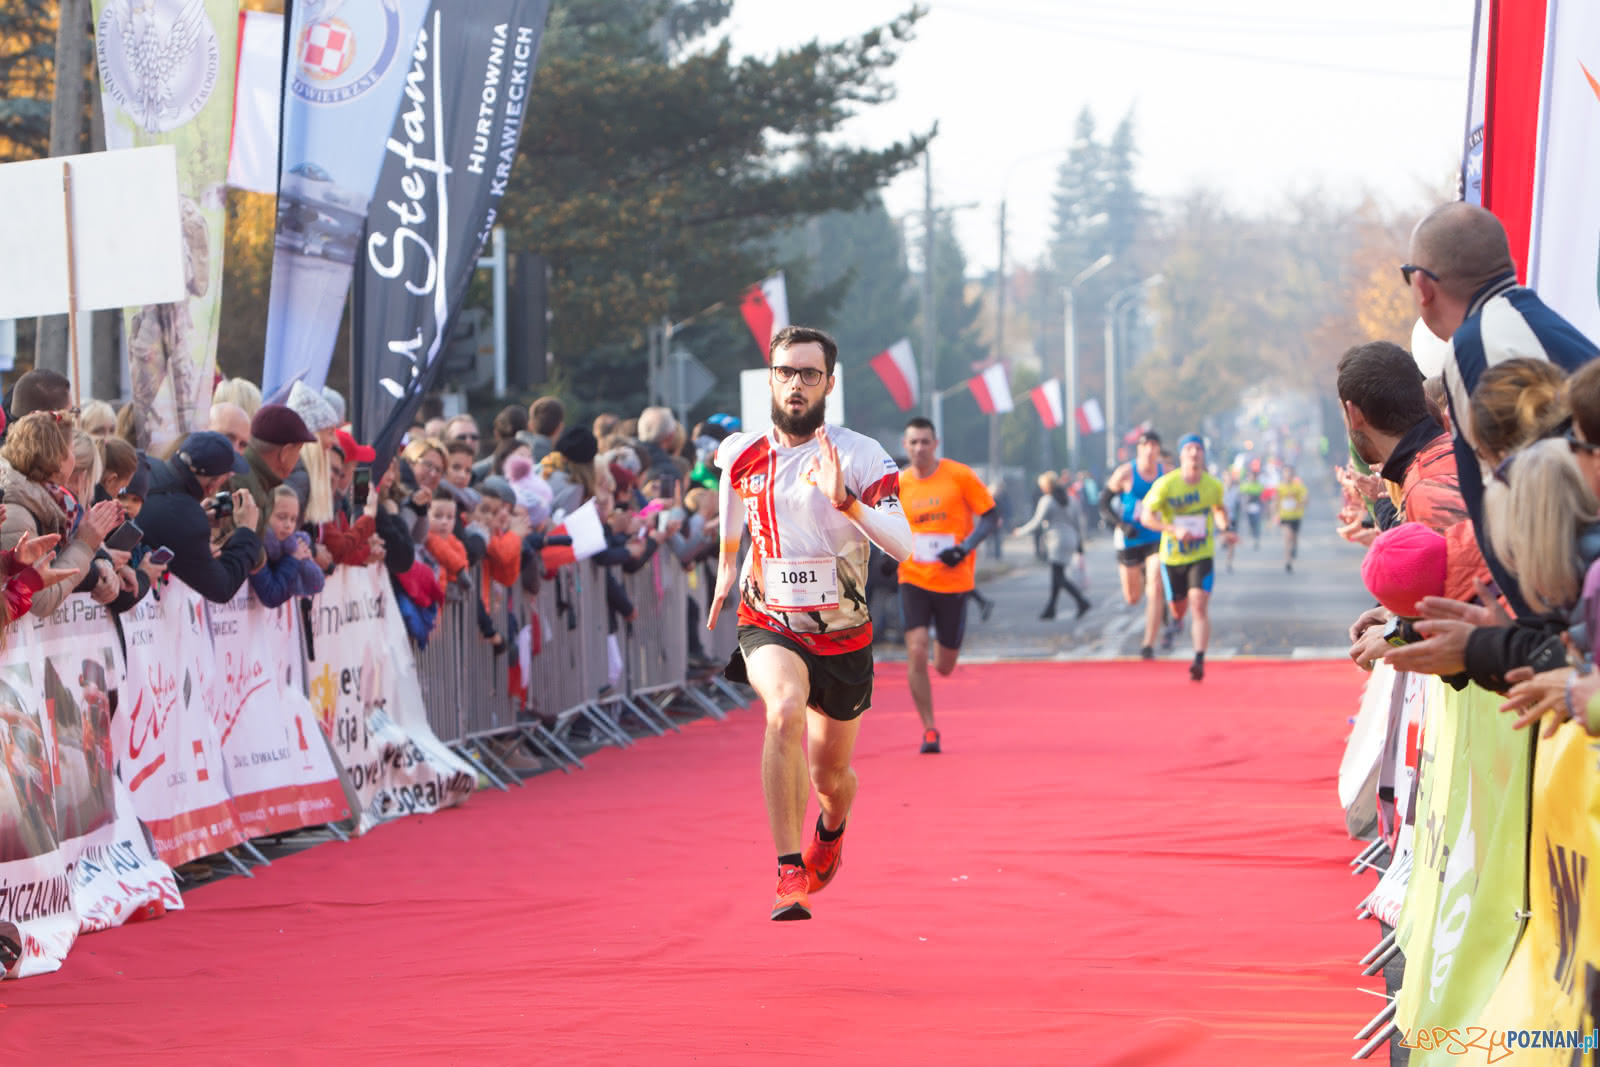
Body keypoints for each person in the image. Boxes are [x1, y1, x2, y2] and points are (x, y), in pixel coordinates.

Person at [706, 326, 910, 921]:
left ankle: (832, 826)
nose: (796, 384)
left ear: (830, 383)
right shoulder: (741, 451)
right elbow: (729, 490)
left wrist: (847, 500)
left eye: (810, 374)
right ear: (770, 377)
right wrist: (725, 566)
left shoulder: (863, 454)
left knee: (831, 777)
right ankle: (787, 865)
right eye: (786, 372)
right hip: (768, 618)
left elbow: (907, 547)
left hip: (843, 633)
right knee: (783, 710)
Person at [1406, 201, 1600, 617]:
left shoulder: (1478, 344)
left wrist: (1537, 639)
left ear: (1422, 285)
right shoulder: (1523, 322)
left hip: (1571, 614)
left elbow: (1532, 501)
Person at [894, 416, 999, 754]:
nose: (919, 448)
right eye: (913, 442)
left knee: (944, 665)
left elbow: (991, 517)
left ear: (935, 444)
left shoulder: (959, 475)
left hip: (954, 580)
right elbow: (884, 524)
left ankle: (944, 646)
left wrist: (964, 548)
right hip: (913, 577)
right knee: (916, 648)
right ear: (905, 446)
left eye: (925, 442)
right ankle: (929, 729)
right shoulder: (898, 483)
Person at [1140, 434, 1237, 681]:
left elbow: (1219, 510)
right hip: (1172, 557)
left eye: (1198, 449)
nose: (1194, 453)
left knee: (1199, 605)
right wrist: (1173, 529)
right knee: (1179, 608)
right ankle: (1176, 618)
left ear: (1203, 454)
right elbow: (1146, 517)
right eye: (1189, 449)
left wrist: (1226, 527)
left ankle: (1199, 659)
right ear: (1182, 455)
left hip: (1201, 554)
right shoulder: (1166, 485)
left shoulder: (1213, 485)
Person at [1099, 429, 1167, 659]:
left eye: (1154, 445)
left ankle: (1149, 644)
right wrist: (1120, 524)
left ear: (1158, 449)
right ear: (1139, 448)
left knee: (1156, 587)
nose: (1150, 449)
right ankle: (1140, 580)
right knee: (1132, 597)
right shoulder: (1126, 473)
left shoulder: (1164, 473)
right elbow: (1103, 503)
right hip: (1130, 537)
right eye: (1145, 445)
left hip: (1155, 536)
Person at [1274, 465, 1308, 572]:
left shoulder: (1298, 487)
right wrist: (1274, 514)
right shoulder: (1279, 487)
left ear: (1293, 475)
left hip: (1296, 516)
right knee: (1287, 537)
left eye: (1289, 473)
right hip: (1284, 516)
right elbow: (1275, 501)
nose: (1287, 475)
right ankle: (1287, 561)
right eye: (1285, 473)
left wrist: (1302, 502)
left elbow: (1305, 498)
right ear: (1283, 474)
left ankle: (1294, 549)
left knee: (1294, 538)